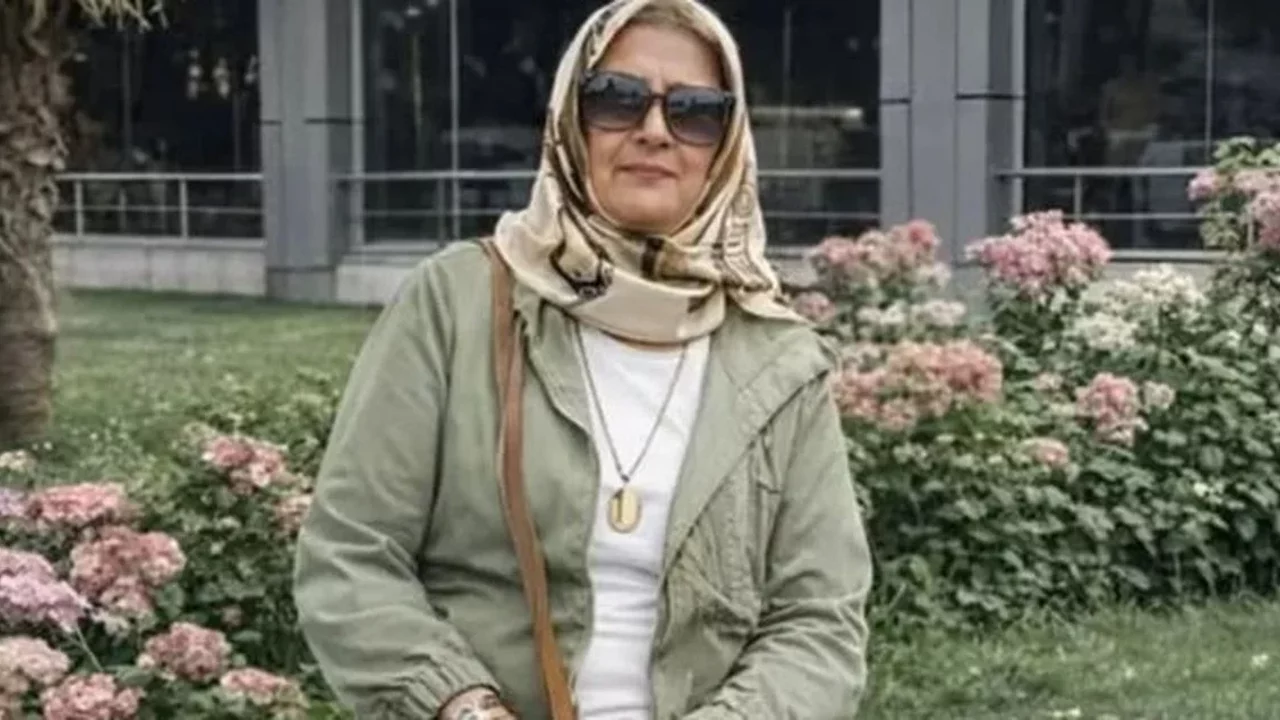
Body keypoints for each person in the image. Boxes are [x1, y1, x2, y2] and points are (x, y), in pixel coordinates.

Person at [292, 0, 873, 718]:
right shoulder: (456, 303)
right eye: (617, 98)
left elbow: (818, 621)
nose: (654, 130)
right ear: (571, 118)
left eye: (695, 111)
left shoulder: (780, 359)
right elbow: (352, 551)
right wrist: (460, 705)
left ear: (726, 144)